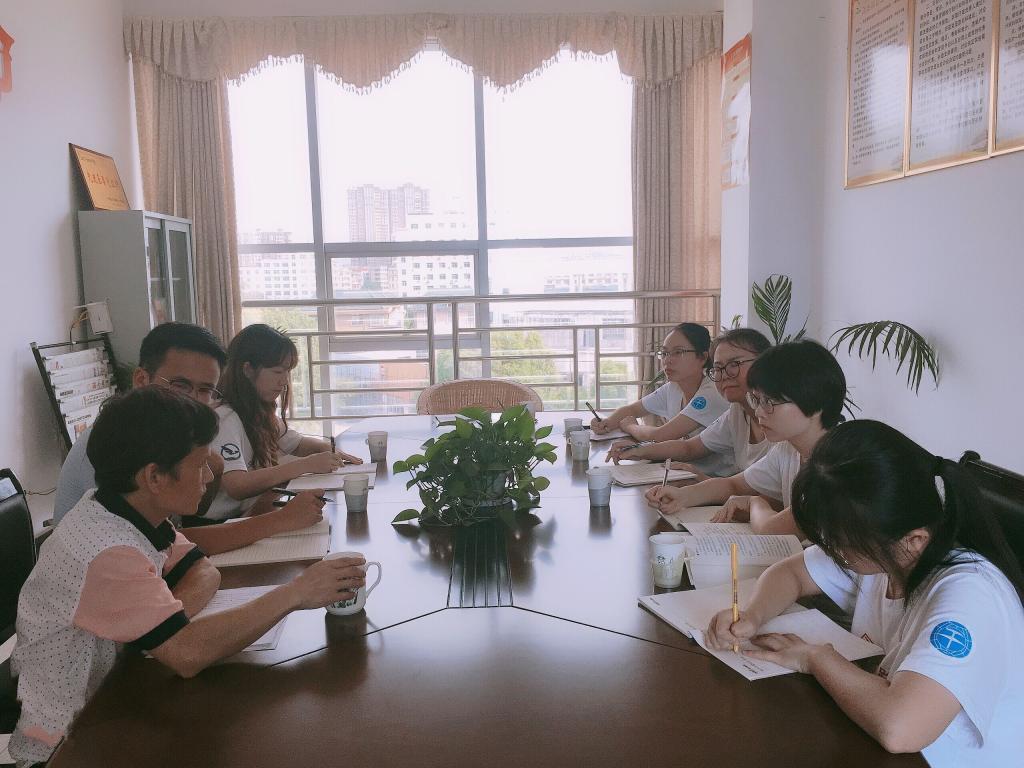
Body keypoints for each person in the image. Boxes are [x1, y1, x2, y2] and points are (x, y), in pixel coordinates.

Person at [9, 387, 367, 766]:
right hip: (70, 742)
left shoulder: (128, 510)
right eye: (198, 465)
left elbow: (203, 569)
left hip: (123, 698)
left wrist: (168, 624)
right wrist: (296, 592)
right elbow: (188, 654)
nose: (209, 476)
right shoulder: (106, 548)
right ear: (155, 476)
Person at [705, 420, 1024, 766]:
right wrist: (753, 615)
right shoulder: (885, 549)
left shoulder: (971, 595)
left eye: (841, 546)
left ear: (915, 540)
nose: (833, 553)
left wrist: (816, 658)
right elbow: (791, 573)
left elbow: (901, 728)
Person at [52, 322, 325, 555]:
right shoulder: (114, 442)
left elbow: (177, 530)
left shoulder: (170, 438)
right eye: (180, 385)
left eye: (205, 390)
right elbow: (165, 545)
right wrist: (280, 520)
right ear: (142, 380)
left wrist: (212, 468)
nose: (193, 401)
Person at [645, 340, 846, 535]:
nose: (758, 412)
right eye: (757, 400)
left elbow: (770, 529)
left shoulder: (838, 464)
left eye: (770, 402)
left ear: (815, 402)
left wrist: (755, 502)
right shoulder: (788, 449)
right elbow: (733, 484)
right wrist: (683, 496)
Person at [206, 324, 362, 521]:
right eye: (277, 372)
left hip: (249, 513)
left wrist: (331, 451)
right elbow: (237, 485)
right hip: (221, 524)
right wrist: (305, 465)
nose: (284, 381)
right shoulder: (225, 418)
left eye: (287, 372)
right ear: (248, 369)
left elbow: (298, 444)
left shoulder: (255, 411)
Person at [606, 328, 771, 475]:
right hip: (715, 484)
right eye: (718, 368)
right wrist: (639, 450)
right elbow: (690, 447)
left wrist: (630, 427)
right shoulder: (736, 412)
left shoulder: (779, 417)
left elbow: (764, 491)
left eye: (734, 364)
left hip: (721, 479)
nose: (724, 374)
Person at [590, 322, 730, 475]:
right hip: (680, 470)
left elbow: (660, 436)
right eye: (664, 353)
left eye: (678, 352)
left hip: (717, 478)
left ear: (702, 357)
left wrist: (630, 426)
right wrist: (607, 423)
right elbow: (632, 409)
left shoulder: (712, 392)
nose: (667, 360)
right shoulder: (674, 387)